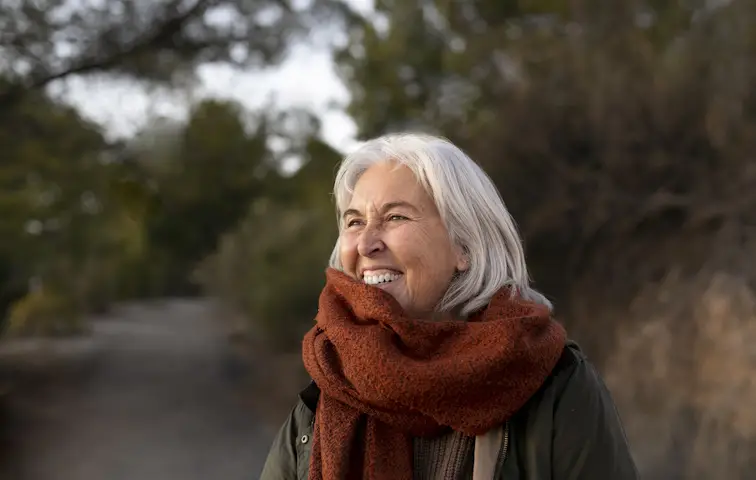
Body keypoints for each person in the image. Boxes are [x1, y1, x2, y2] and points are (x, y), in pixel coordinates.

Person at [259, 133, 639, 480]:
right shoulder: (331, 383)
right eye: (355, 222)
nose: (365, 244)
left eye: (395, 217)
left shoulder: (554, 383)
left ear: (465, 246)